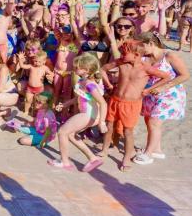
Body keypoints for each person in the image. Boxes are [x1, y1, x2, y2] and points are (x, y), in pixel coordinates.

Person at [98, 40, 172, 171]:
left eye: (124, 53)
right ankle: (104, 150)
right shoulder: (120, 63)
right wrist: (109, 84)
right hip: (115, 100)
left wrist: (149, 89)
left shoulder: (146, 68)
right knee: (109, 126)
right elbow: (103, 69)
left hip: (132, 104)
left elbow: (166, 77)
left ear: (136, 54)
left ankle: (126, 158)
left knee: (128, 131)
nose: (121, 55)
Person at [47, 53, 108, 172]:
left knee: (62, 132)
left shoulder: (89, 84)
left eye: (76, 67)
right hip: (89, 115)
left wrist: (102, 122)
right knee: (70, 134)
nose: (74, 69)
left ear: (86, 70)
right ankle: (93, 158)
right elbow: (80, 98)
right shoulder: (83, 81)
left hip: (89, 115)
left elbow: (103, 103)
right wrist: (65, 104)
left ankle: (64, 162)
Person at [134, 33, 188, 165]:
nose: (138, 49)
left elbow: (185, 75)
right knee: (149, 121)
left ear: (151, 44)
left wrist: (164, 87)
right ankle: (156, 150)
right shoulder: (145, 57)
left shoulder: (169, 56)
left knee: (154, 122)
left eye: (141, 46)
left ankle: (148, 153)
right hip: (151, 94)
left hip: (169, 94)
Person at [17, 50, 53, 115]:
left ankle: (35, 112)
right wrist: (20, 59)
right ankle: (26, 111)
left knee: (37, 102)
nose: (36, 63)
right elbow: (22, 66)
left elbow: (51, 74)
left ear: (44, 62)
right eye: (35, 61)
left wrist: (51, 76)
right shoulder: (31, 66)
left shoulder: (45, 68)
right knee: (28, 100)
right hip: (30, 88)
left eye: (39, 62)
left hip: (39, 89)